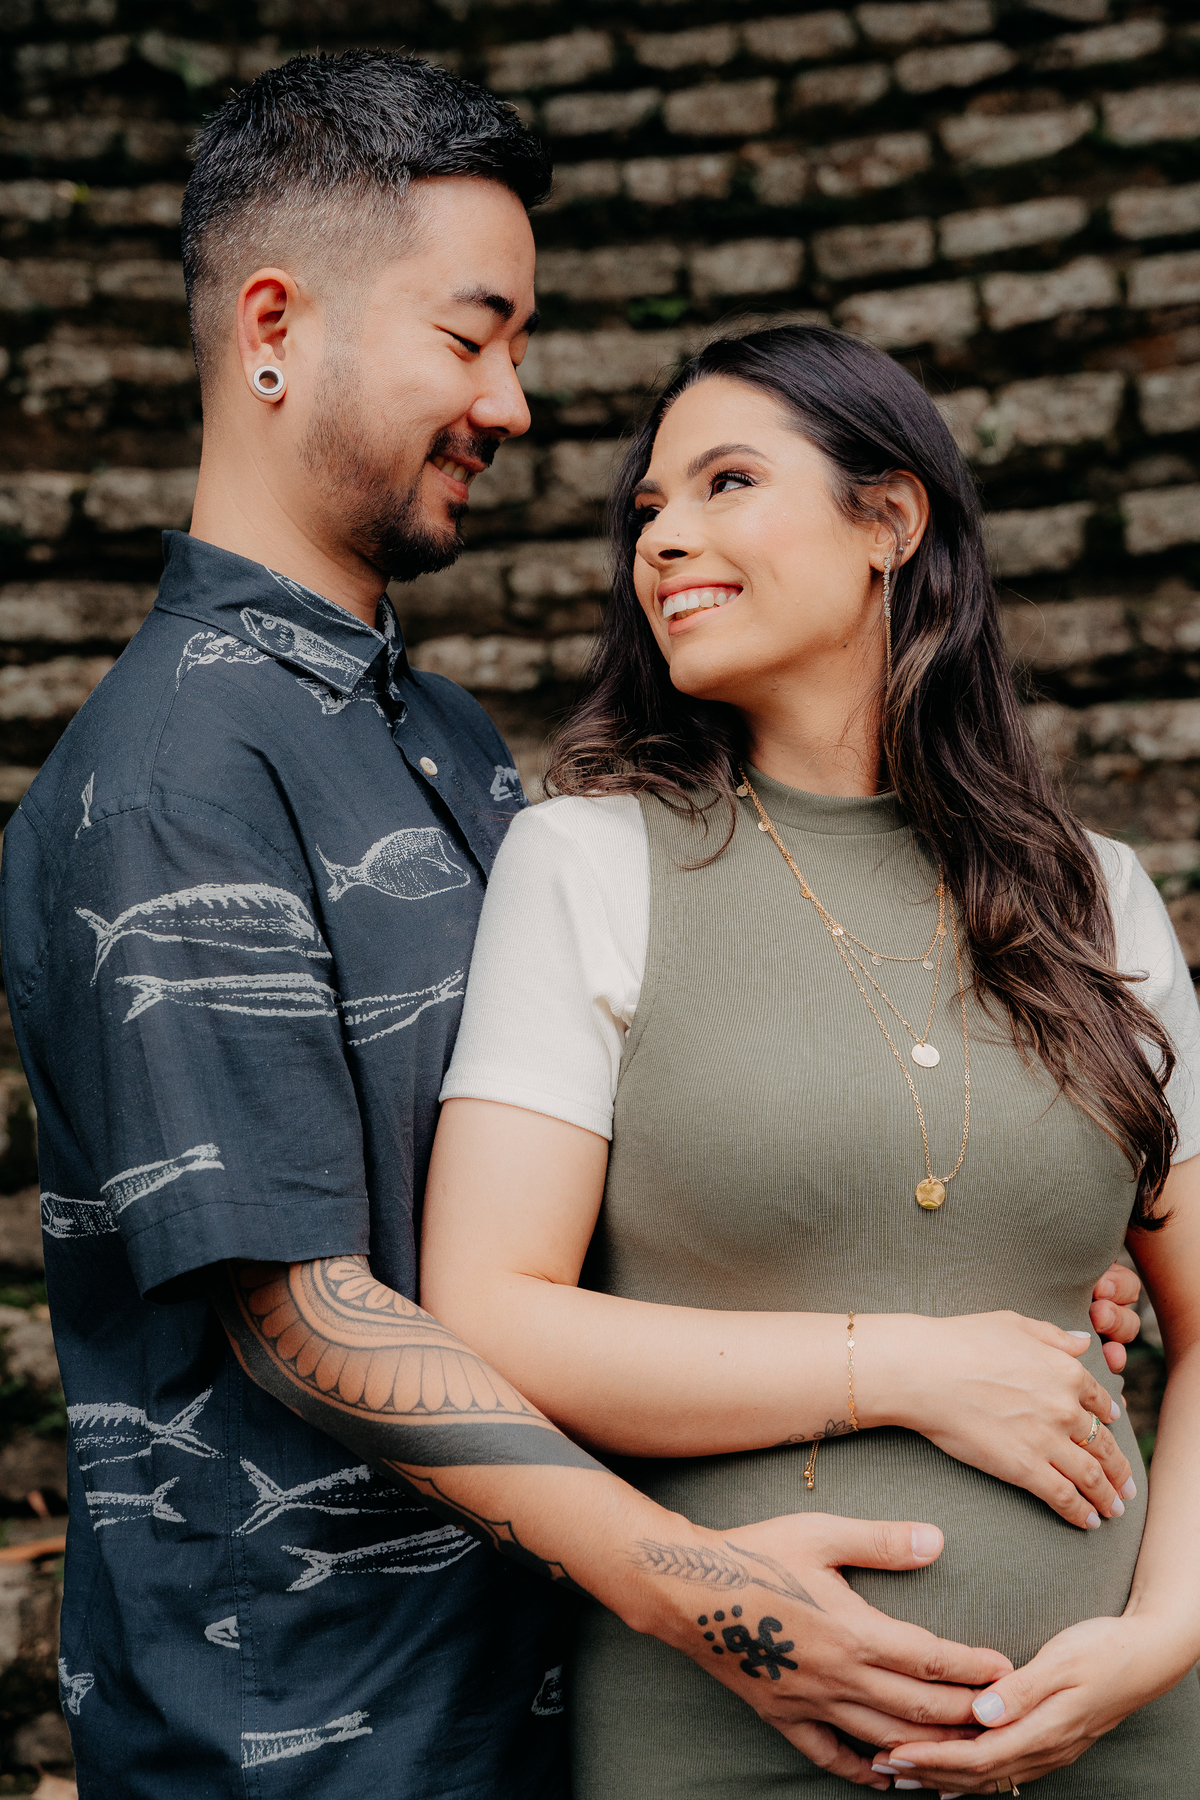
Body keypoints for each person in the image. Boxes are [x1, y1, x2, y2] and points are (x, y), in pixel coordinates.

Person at [0, 58, 1104, 1800]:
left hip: (527, 1703)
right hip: (312, 1746)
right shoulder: (169, 777)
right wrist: (709, 1594)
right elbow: (304, 1314)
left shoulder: (431, 734)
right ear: (274, 326)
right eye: (474, 336)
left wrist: (1019, 1246)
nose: (511, 403)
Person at [422, 324, 1200, 1796]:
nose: (665, 540)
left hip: (1116, 1736)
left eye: (726, 483)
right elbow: (486, 1316)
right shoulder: (586, 864)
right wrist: (906, 1369)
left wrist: (1164, 1635)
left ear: (889, 519)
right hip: (724, 1729)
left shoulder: (1097, 897)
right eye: (648, 510)